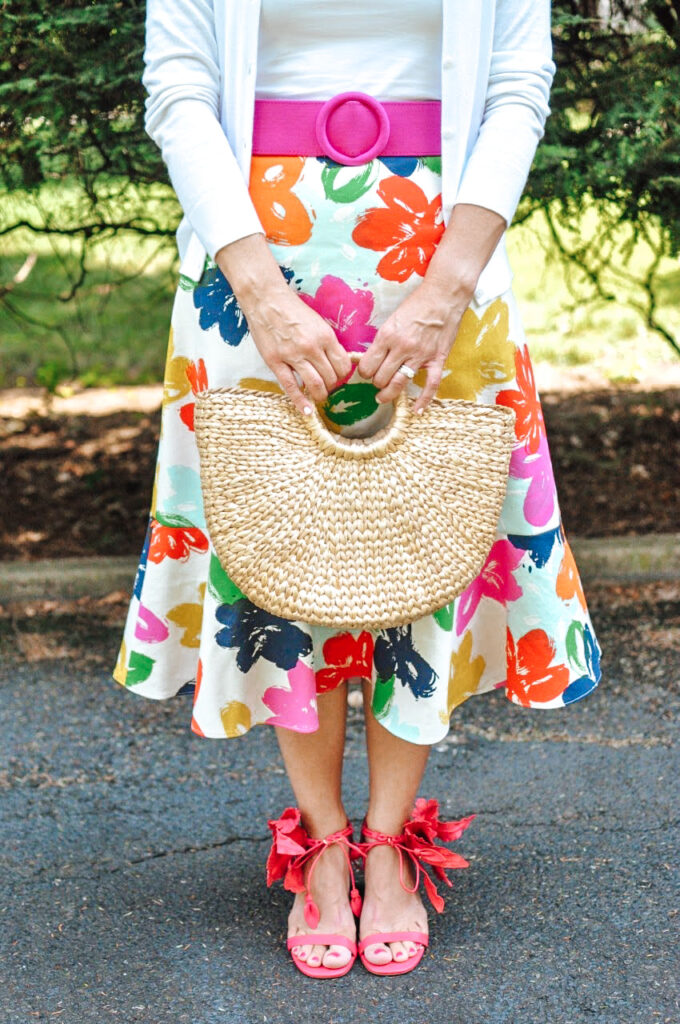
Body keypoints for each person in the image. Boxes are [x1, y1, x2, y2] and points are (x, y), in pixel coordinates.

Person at [113, 0, 603, 979]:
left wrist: (443, 292)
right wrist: (256, 288)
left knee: (426, 537)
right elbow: (179, 89)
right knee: (279, 549)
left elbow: (514, 84)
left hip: (438, 258)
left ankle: (388, 847)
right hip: (251, 262)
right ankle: (322, 844)